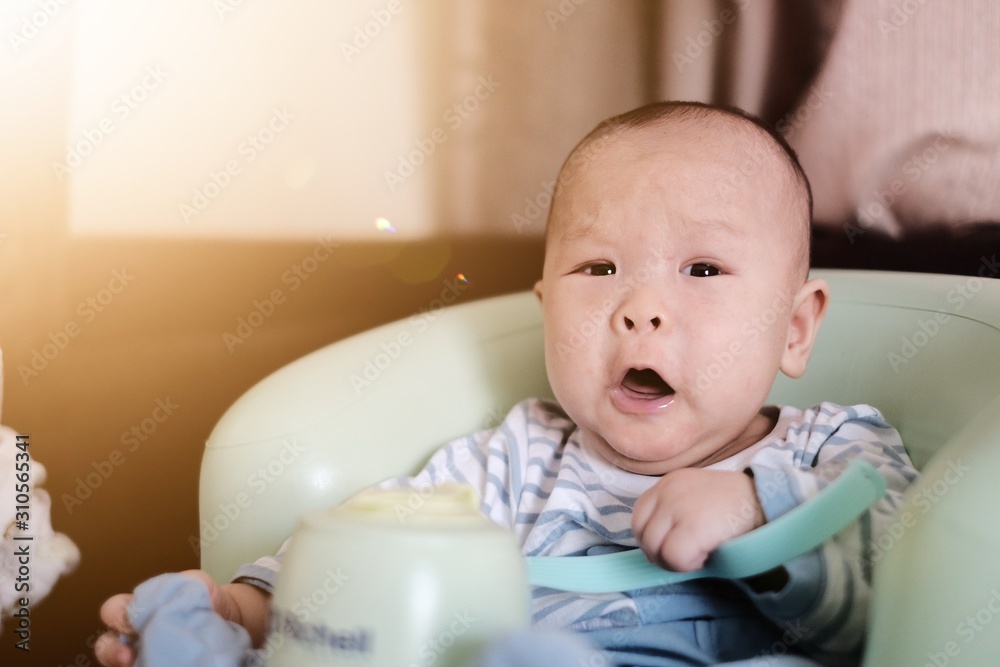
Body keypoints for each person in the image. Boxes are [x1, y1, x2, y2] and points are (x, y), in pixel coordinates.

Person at [95, 101, 918, 667]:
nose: (640, 310)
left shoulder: (836, 447)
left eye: (702, 267)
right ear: (547, 304)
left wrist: (757, 507)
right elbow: (379, 544)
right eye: (599, 268)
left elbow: (916, 579)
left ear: (795, 327)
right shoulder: (519, 457)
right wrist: (252, 605)